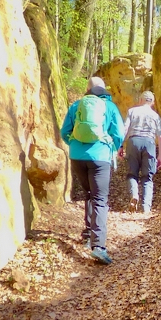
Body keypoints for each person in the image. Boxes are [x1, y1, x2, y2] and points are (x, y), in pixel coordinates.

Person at [61, 76, 124, 265]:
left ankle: (88, 234)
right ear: (104, 89)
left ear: (87, 89)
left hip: (77, 156)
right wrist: (113, 147)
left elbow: (65, 131)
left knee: (89, 193)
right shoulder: (110, 107)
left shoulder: (76, 106)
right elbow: (119, 133)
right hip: (100, 157)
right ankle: (98, 246)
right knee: (100, 198)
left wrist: (74, 145)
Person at [119, 90, 161, 214]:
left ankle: (134, 194)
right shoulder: (155, 116)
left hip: (133, 142)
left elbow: (125, 129)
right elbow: (160, 137)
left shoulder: (132, 111)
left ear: (140, 100)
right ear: (153, 103)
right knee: (147, 177)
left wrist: (121, 146)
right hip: (149, 143)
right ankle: (146, 208)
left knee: (132, 174)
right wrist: (160, 155)